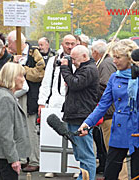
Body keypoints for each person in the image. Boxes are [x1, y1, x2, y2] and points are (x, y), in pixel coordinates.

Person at [79, 39, 139, 180]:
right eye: (113, 57)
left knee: (138, 173)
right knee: (110, 172)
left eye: (118, 57)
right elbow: (103, 104)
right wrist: (88, 123)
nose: (114, 61)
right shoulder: (114, 77)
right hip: (120, 127)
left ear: (129, 58)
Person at [38, 34, 77, 178]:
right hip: (56, 101)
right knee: (52, 136)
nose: (70, 46)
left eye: (73, 43)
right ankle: (51, 166)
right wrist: (42, 102)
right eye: (67, 43)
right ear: (62, 44)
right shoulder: (54, 60)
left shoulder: (80, 58)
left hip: (74, 103)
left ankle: (74, 167)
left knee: (73, 135)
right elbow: (46, 82)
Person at [7, 30, 45, 172]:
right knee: (18, 128)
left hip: (30, 97)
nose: (8, 46)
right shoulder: (11, 56)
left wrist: (22, 69)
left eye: (10, 43)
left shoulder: (34, 53)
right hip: (15, 94)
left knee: (30, 130)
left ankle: (35, 160)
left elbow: (40, 74)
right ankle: (22, 158)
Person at [60, 45, 99, 180]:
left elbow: (75, 84)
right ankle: (83, 177)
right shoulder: (84, 69)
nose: (72, 62)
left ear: (84, 56)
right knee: (81, 153)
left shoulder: (89, 69)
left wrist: (65, 69)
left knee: (86, 154)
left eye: (74, 59)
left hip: (81, 117)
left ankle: (86, 177)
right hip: (77, 115)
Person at [0, 62, 31, 180]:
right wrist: (13, 159)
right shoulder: (5, 98)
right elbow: (5, 133)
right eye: (21, 76)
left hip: (3, 155)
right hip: (6, 156)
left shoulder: (1, 93)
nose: (23, 80)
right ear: (12, 77)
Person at [91, 40, 117, 174]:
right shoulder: (104, 63)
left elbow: (106, 87)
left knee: (111, 147)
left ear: (96, 52)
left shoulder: (105, 64)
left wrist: (91, 88)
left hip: (109, 112)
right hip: (108, 111)